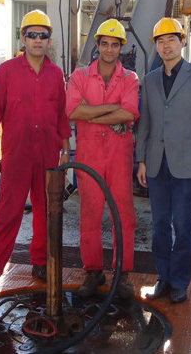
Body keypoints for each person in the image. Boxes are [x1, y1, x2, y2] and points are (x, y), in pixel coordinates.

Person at [0, 10, 72, 304]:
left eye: (43, 35)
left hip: (48, 154)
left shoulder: (55, 74)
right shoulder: (6, 71)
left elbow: (61, 114)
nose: (38, 40)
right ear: (23, 38)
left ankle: (40, 263)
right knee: (7, 215)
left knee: (46, 213)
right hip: (16, 156)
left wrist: (66, 149)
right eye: (32, 35)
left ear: (50, 40)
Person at [135, 17, 191, 304]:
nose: (166, 45)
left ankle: (180, 281)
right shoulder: (150, 80)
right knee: (159, 225)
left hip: (187, 164)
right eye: (161, 41)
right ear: (156, 46)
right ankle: (163, 277)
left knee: (183, 226)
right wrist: (141, 160)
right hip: (156, 163)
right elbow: (145, 123)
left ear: (182, 42)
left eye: (171, 39)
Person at [66, 18, 139, 299]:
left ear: (121, 47)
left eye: (115, 44)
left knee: (124, 215)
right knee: (90, 214)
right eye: (105, 44)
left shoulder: (130, 78)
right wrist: (112, 109)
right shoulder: (80, 76)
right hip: (90, 155)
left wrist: (92, 113)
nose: (109, 49)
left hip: (119, 156)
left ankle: (122, 272)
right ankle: (93, 271)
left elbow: (129, 113)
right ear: (97, 45)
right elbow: (73, 111)